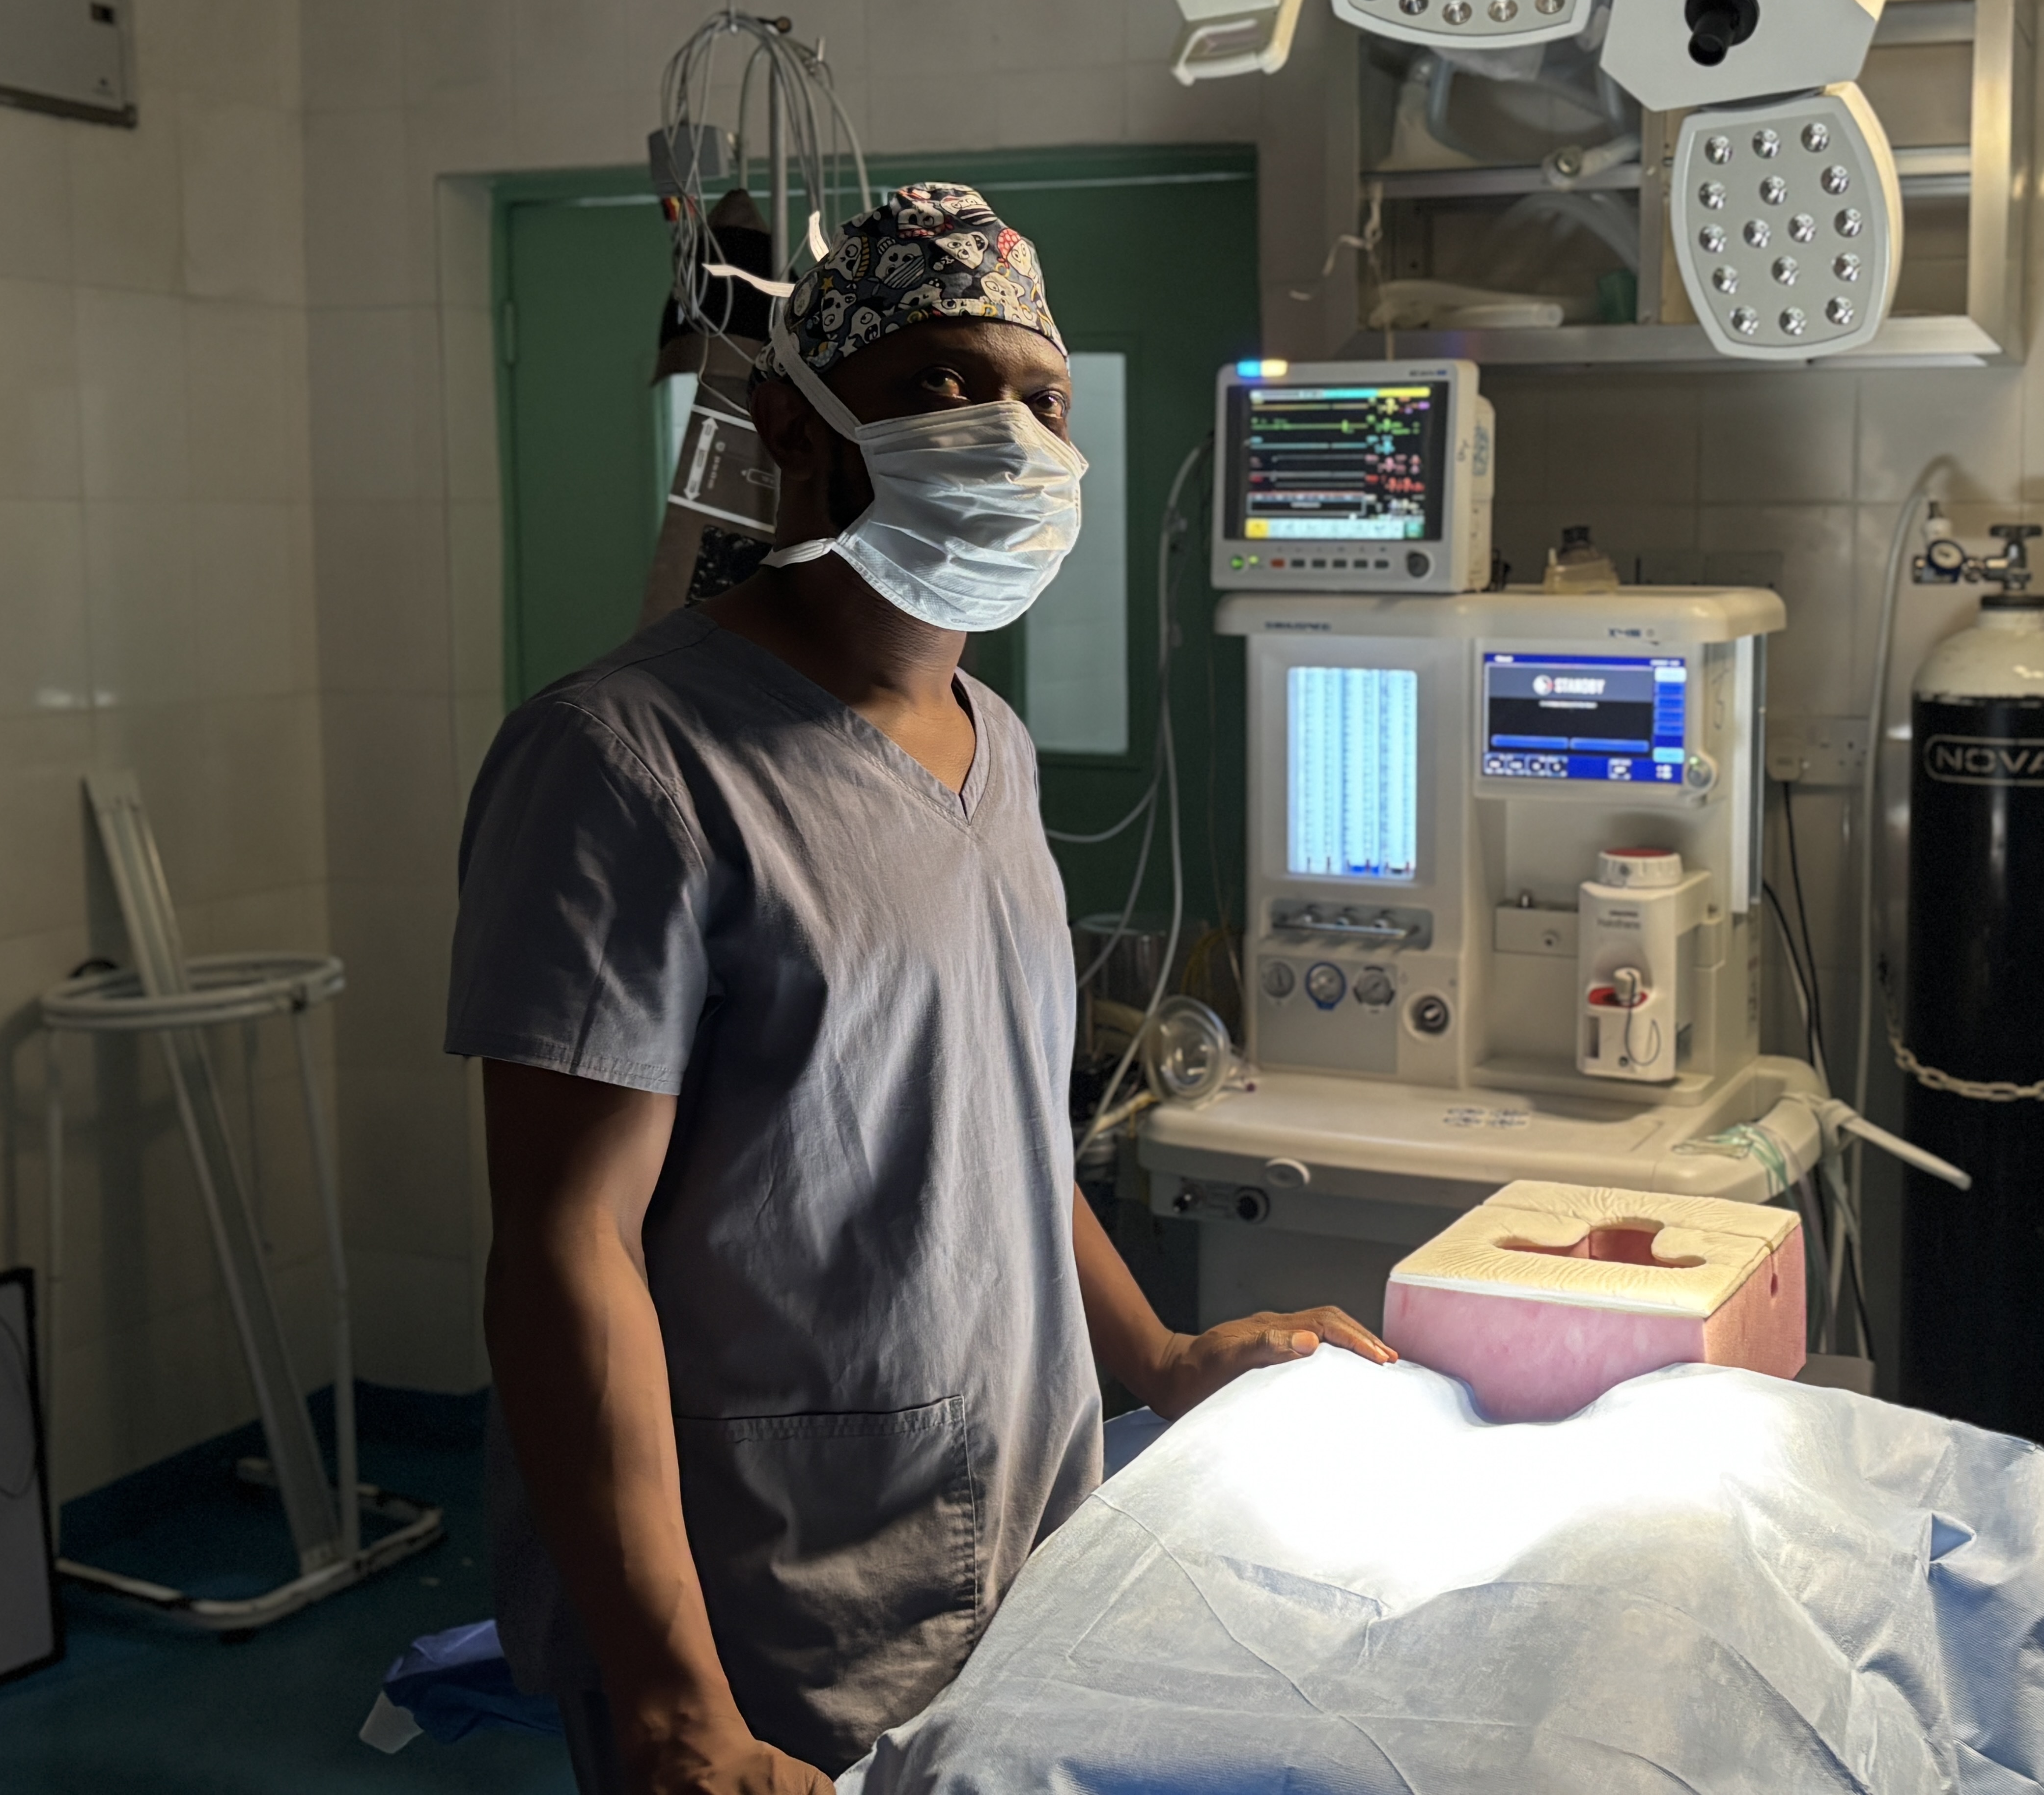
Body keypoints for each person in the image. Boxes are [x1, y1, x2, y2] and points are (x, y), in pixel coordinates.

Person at [447, 184, 1396, 1795]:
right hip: (766, 1610)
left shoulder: (995, 752)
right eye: (944, 387)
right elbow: (564, 1247)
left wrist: (1160, 1360)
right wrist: (679, 1703)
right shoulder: (626, 762)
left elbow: (999, 1135)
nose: (1011, 434)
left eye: (1043, 397)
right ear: (792, 432)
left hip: (1029, 1554)